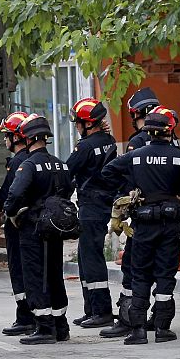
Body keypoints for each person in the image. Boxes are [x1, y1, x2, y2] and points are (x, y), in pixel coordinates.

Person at [101, 107, 180, 344]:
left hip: (144, 223)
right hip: (170, 223)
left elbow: (107, 171)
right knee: (165, 274)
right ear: (170, 130)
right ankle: (162, 329)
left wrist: (131, 188)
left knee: (140, 273)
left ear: (148, 131)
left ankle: (138, 330)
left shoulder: (136, 155)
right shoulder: (178, 156)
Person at [4, 114, 74, 345]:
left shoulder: (28, 165)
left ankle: (44, 327)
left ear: (26, 138)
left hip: (33, 228)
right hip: (55, 227)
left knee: (35, 276)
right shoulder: (61, 164)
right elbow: (68, 190)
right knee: (55, 275)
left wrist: (12, 212)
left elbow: (14, 195)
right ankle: (61, 326)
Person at [101, 87, 161, 338]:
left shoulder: (137, 142)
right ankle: (160, 318)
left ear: (136, 114)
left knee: (132, 267)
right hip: (167, 215)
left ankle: (129, 318)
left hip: (142, 216)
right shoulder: (169, 138)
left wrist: (119, 208)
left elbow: (123, 177)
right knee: (161, 267)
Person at [66, 98, 118, 329]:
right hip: (102, 202)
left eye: (78, 122)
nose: (76, 126)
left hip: (91, 206)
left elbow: (67, 170)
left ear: (88, 124)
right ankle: (92, 310)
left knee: (91, 258)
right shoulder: (108, 141)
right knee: (86, 256)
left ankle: (101, 311)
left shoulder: (85, 146)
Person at [0, 112, 35, 336]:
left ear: (16, 137)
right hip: (32, 221)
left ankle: (25, 316)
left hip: (17, 222)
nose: (4, 140)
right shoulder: (32, 157)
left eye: (6, 135)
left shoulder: (19, 162)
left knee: (18, 269)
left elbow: (9, 192)